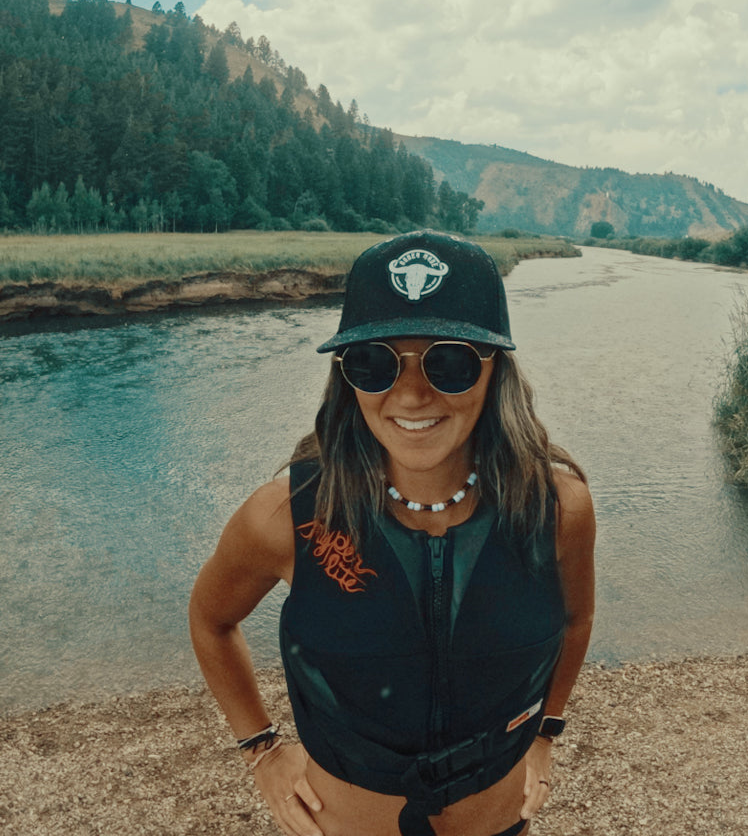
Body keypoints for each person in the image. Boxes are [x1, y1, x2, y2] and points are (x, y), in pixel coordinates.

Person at [189, 230, 596, 836]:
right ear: (345, 377)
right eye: (374, 362)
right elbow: (211, 620)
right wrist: (263, 749)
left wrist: (545, 733)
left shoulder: (557, 509)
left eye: (450, 361)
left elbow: (574, 620)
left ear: (495, 371)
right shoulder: (287, 516)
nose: (410, 393)